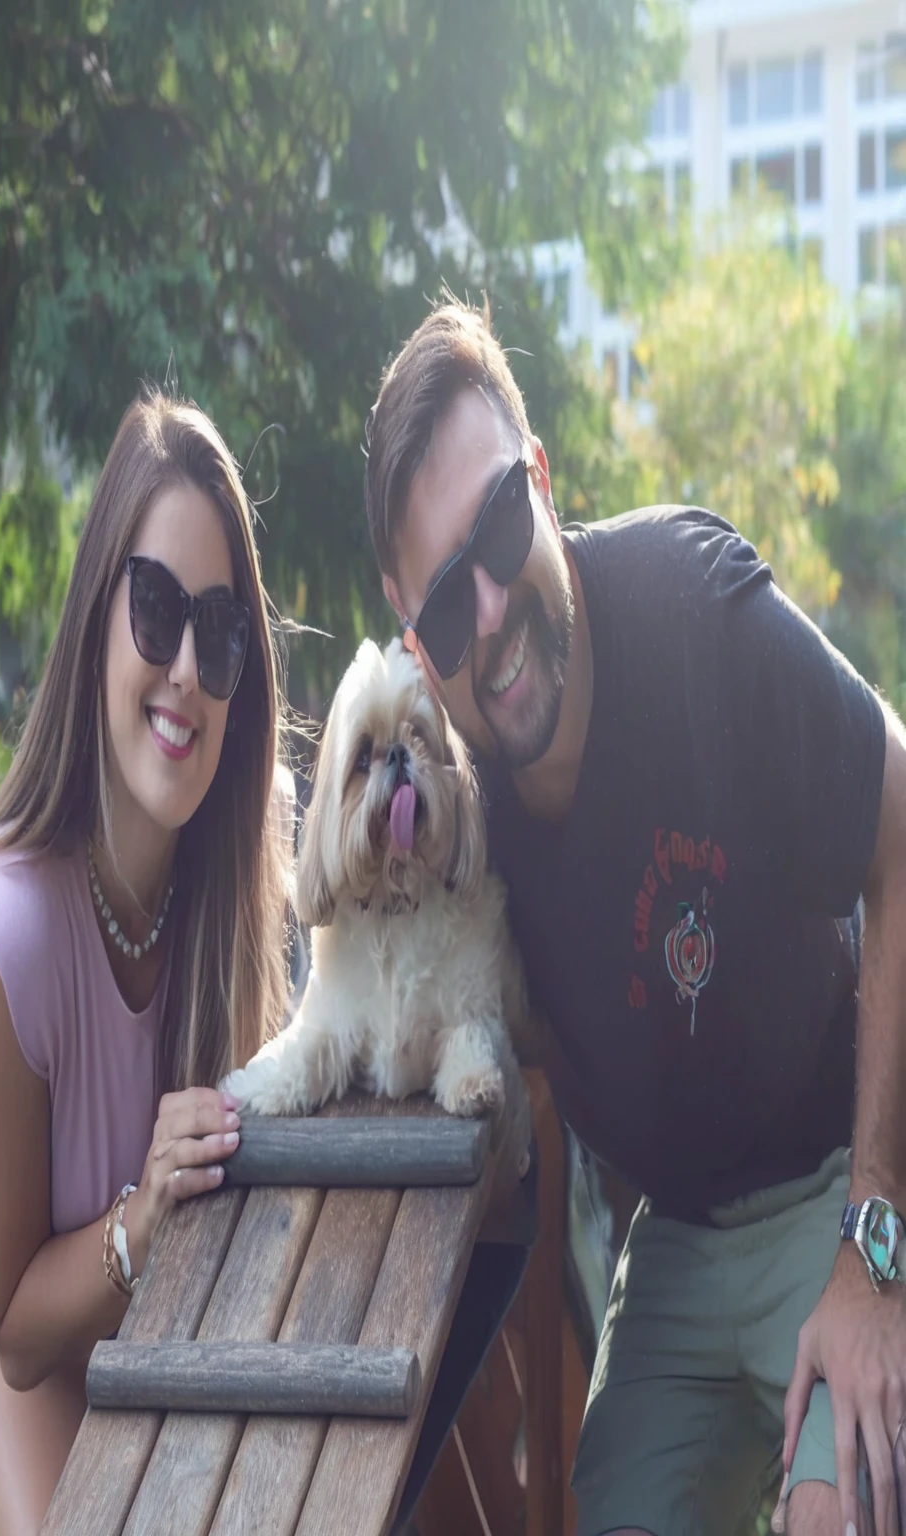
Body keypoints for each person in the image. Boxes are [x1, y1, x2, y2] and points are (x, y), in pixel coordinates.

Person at [364, 298, 906, 1536]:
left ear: (541, 481)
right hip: (673, 1238)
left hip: (844, 1175)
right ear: (417, 640)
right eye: (446, 606)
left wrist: (872, 1244)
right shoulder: (455, 810)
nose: (489, 612)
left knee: (841, 1507)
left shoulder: (693, 609)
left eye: (501, 527)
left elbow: (896, 827)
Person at [0, 392, 292, 1534]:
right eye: (157, 610)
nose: (182, 670)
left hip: (138, 1260)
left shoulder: (238, 886)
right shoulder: (10, 925)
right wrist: (144, 1214)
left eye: (215, 633)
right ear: (96, 617)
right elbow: (21, 1331)